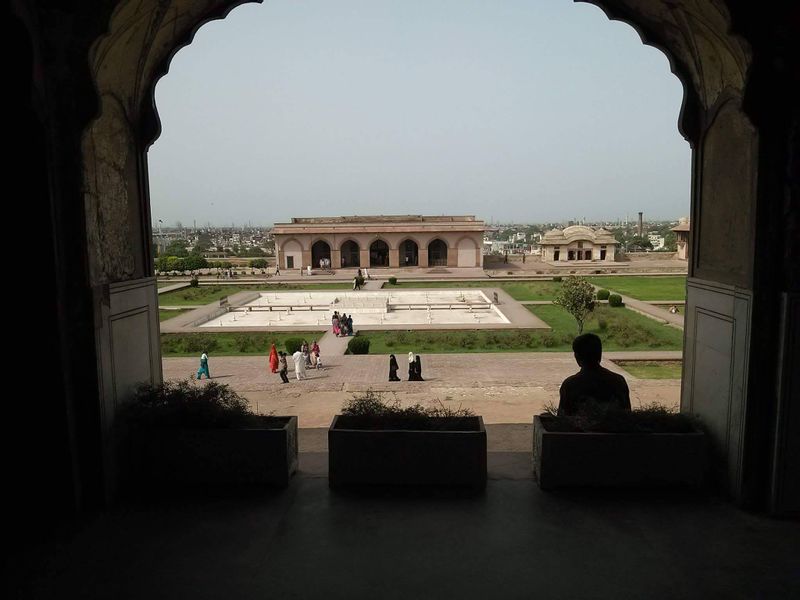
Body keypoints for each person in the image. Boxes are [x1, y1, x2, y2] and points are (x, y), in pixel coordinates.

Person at [558, 333, 631, 416]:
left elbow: (562, 419)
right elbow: (627, 415)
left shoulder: (570, 385)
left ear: (577, 356)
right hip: (614, 428)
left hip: (580, 428)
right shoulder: (618, 381)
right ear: (599, 354)